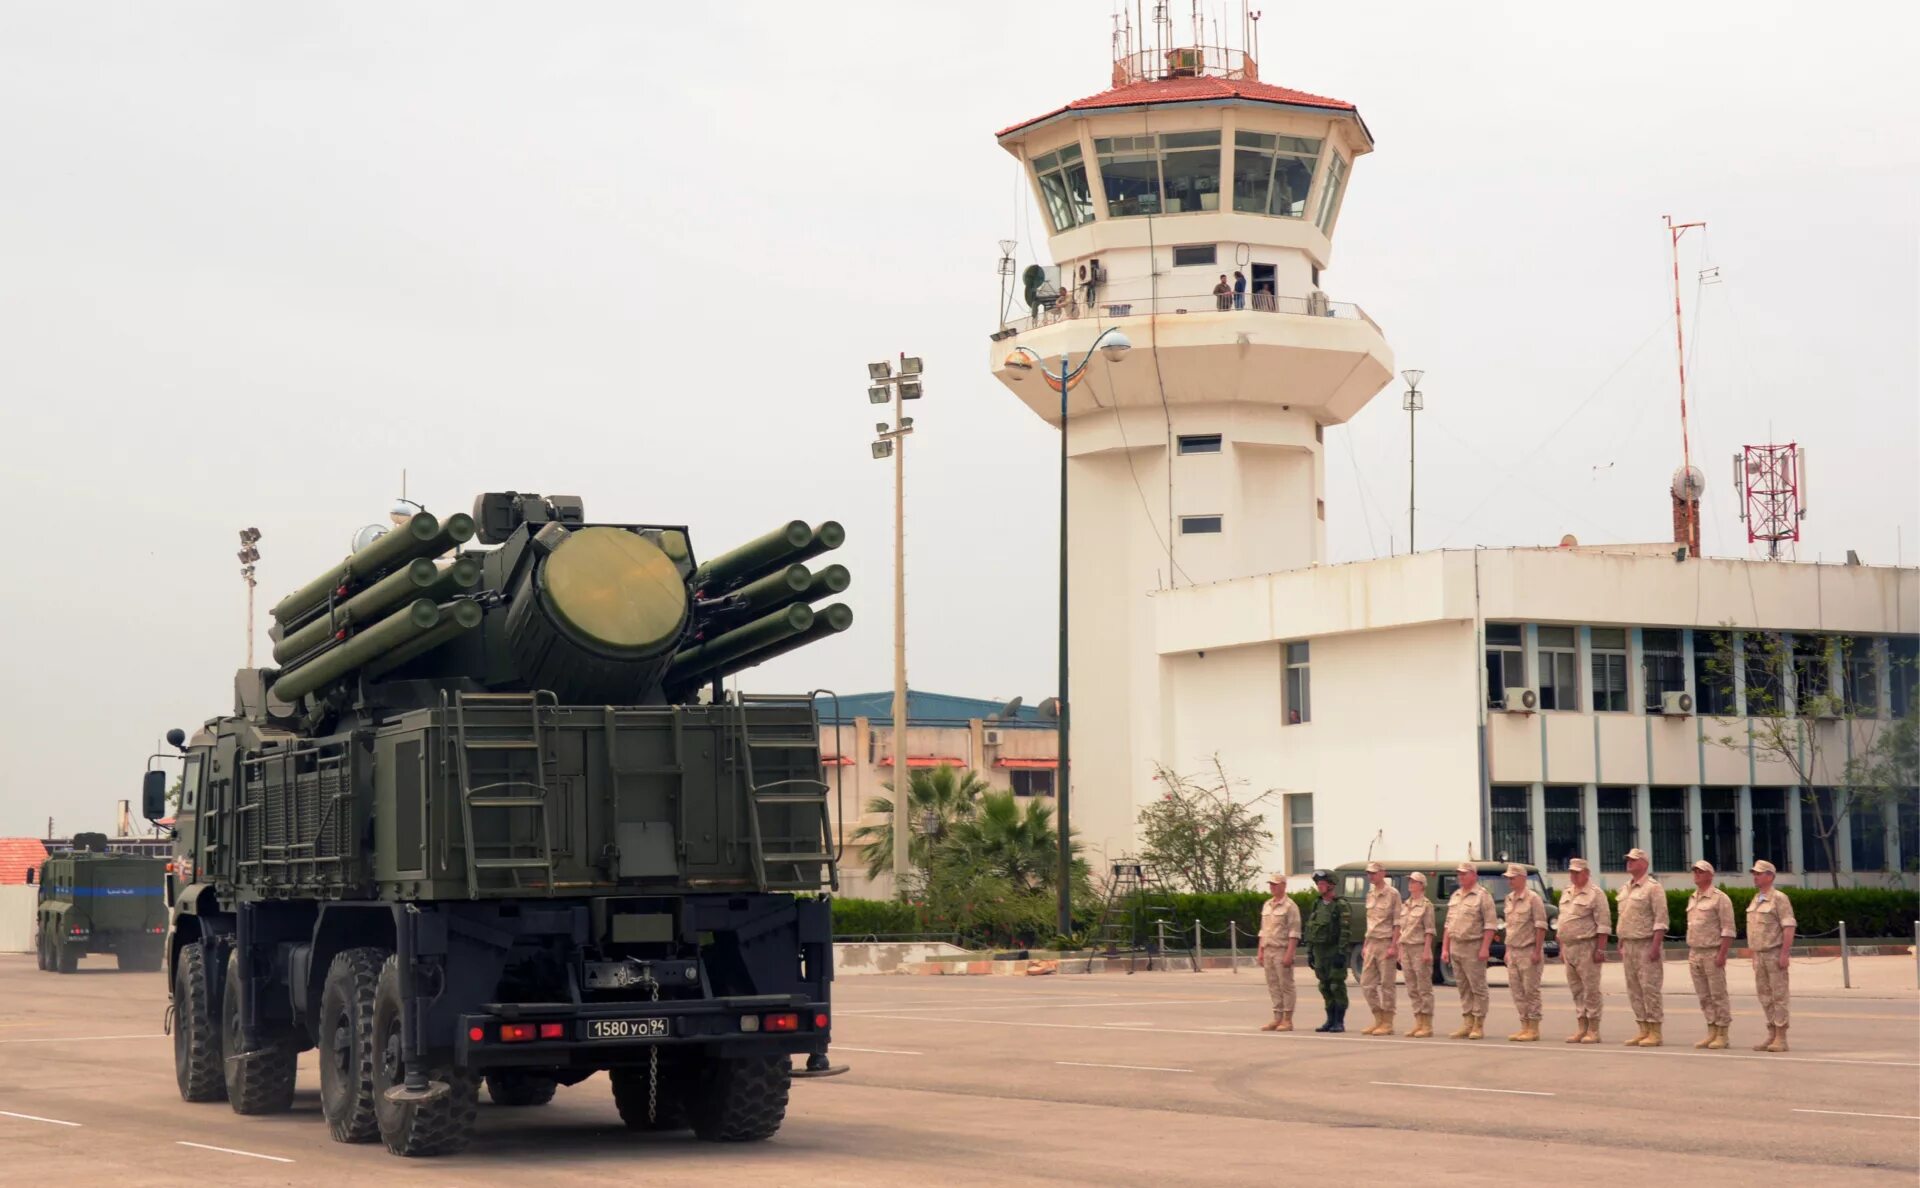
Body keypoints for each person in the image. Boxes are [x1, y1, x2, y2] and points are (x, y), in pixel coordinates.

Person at [1616, 847, 1669, 1047]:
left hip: (1646, 944)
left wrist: (1655, 946)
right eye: (1628, 859)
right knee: (1634, 989)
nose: (1629, 862)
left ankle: (1655, 1030)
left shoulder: (1653, 888)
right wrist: (1621, 942)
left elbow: (1661, 920)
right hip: (1629, 944)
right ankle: (1642, 1028)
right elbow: (1623, 917)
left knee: (1650, 988)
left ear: (1644, 864)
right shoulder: (1625, 888)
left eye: (1633, 860)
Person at [1554, 857, 1611, 1043]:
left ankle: (1594, 1029)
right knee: (1576, 990)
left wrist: (1600, 950)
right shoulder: (1567, 893)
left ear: (1586, 873)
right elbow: (1563, 922)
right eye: (1571, 872)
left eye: (1577, 872)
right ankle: (1581, 1027)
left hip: (1587, 946)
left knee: (1591, 989)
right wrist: (1562, 947)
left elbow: (1603, 925)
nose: (1573, 875)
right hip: (1569, 947)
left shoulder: (1596, 894)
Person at [1441, 862, 1497, 1040]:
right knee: (1463, 987)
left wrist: (1485, 948)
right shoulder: (1456, 895)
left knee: (1477, 987)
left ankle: (1478, 1024)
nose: (1460, 877)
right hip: (1456, 946)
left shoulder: (1482, 896)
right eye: (1459, 874)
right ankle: (1467, 1023)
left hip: (1473, 946)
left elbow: (1490, 925)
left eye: (1464, 874)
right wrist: (1445, 948)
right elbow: (1448, 925)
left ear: (1474, 875)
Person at [1684, 860, 1736, 1050]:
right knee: (1703, 996)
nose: (1696, 873)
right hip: (1695, 952)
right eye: (1695, 871)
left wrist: (1722, 954)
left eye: (1700, 871)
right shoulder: (1693, 898)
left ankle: (1722, 1033)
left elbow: (1728, 930)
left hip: (1712, 952)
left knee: (1717, 994)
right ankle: (1711, 1030)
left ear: (1710, 875)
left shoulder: (1720, 898)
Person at [1746, 859, 1797, 1052]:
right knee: (1764, 996)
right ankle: (1771, 1033)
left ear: (1770, 876)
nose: (1755, 877)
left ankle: (1781, 1036)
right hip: (1760, 955)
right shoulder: (1756, 898)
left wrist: (1785, 953)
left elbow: (1788, 926)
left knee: (1779, 996)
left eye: (1759, 874)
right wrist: (1753, 954)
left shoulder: (1779, 898)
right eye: (1754, 874)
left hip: (1774, 953)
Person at [1501, 864, 1547, 1041]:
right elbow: (1510, 927)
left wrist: (1537, 951)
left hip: (1528, 951)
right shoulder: (1509, 898)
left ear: (1522, 878)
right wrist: (1507, 950)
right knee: (1517, 991)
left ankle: (1533, 1028)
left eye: (1512, 878)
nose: (1509, 881)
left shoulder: (1533, 898)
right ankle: (1524, 1025)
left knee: (1531, 991)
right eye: (1508, 878)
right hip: (1513, 951)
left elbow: (1540, 926)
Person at [1358, 861, 1402, 1035]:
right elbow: (1370, 922)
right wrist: (1365, 944)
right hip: (1372, 942)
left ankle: (1388, 1022)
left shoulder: (1393, 894)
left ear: (1383, 873)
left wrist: (1394, 945)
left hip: (1386, 943)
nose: (1371, 876)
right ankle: (1378, 1018)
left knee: (1387, 985)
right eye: (1369, 873)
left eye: (1374, 873)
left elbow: (1398, 922)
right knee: (1366, 984)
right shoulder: (1370, 894)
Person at [1304, 869, 1351, 1032]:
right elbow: (1312, 928)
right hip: (1320, 952)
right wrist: (1310, 952)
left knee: (1336, 986)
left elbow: (1345, 931)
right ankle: (1329, 1020)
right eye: (1318, 883)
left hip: (1334, 951)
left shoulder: (1340, 905)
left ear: (1331, 885)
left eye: (1322, 883)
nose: (1319, 886)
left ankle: (1339, 1021)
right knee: (1324, 986)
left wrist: (1341, 952)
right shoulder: (1317, 904)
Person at [1256, 871, 1301, 1032]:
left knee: (1286, 985)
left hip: (1282, 950)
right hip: (1268, 949)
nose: (1272, 887)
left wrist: (1290, 953)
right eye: (1271, 885)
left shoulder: (1290, 906)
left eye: (1275, 884)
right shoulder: (1267, 904)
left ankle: (1287, 1019)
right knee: (1273, 985)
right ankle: (1277, 1017)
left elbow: (1294, 933)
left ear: (1283, 885)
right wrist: (1260, 951)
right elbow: (1263, 930)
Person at [1397, 871, 1436, 1037]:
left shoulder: (1426, 905)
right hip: (1406, 948)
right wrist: (1399, 950)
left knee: (1423, 987)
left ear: (1421, 885)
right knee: (1412, 987)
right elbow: (1402, 929)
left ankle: (1427, 1024)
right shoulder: (1406, 904)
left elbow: (1429, 930)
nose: (1410, 884)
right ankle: (1418, 1021)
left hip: (1419, 948)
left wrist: (1427, 950)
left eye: (1414, 882)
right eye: (1409, 882)